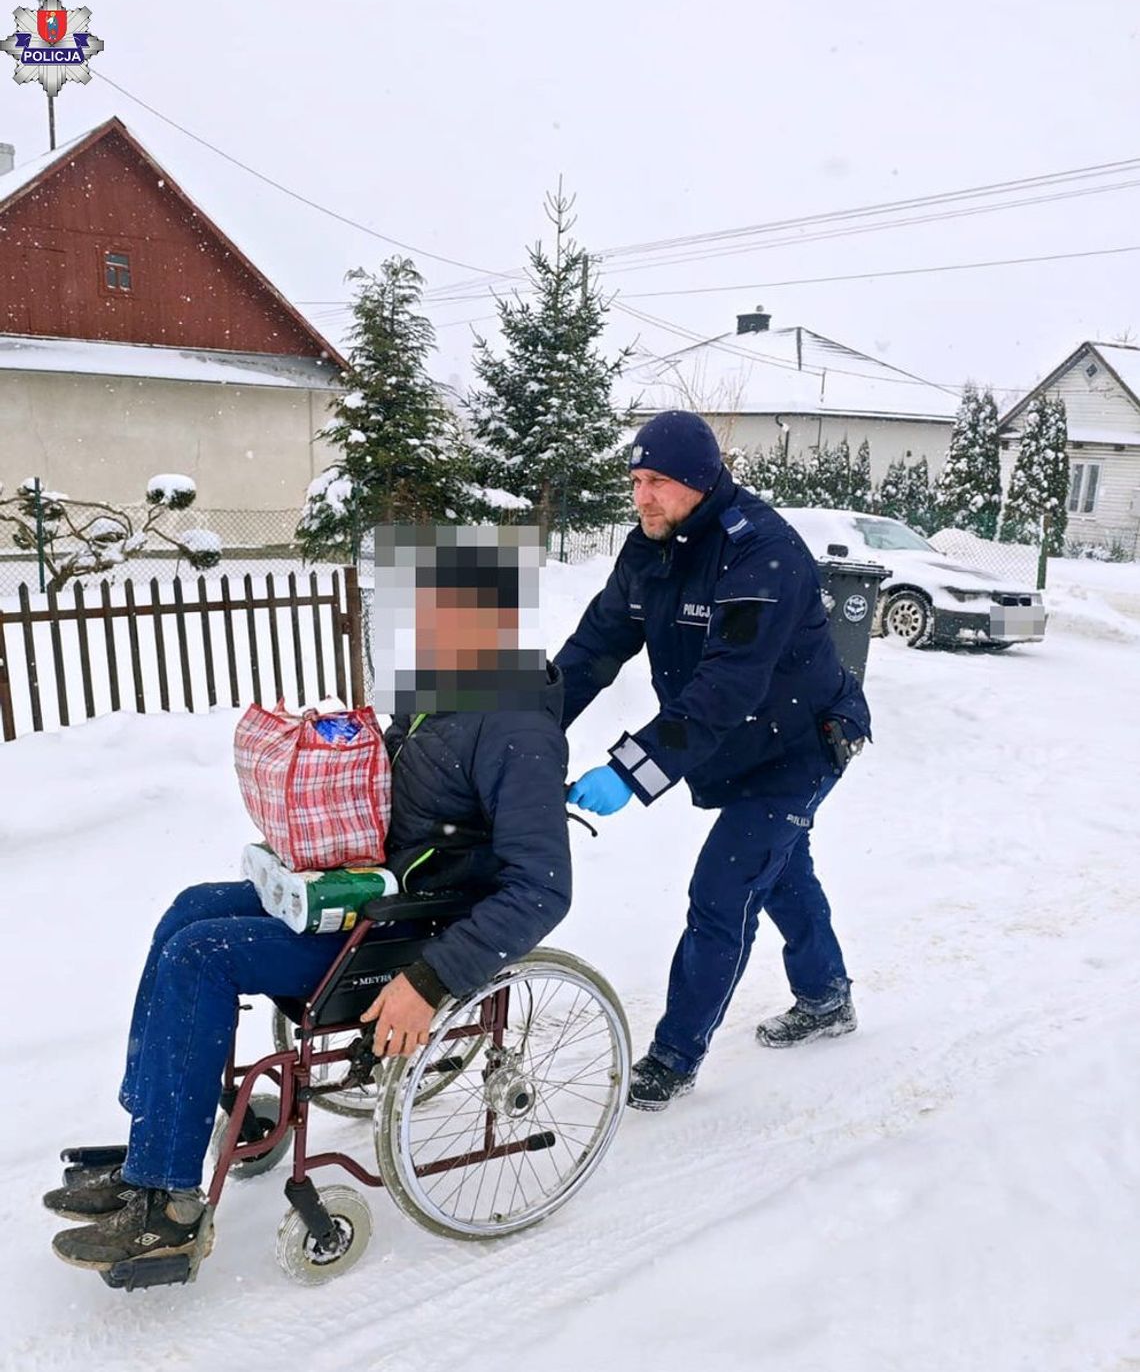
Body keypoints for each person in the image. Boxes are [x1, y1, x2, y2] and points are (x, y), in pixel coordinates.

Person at [46, 545, 571, 1271]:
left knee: (201, 955)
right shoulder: (442, 696)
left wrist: (430, 981)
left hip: (408, 933)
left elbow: (542, 887)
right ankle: (154, 1138)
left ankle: (168, 1204)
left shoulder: (517, 730)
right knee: (189, 911)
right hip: (366, 892)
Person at [556, 410, 870, 1111]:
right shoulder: (651, 546)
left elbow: (727, 686)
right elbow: (596, 647)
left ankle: (674, 1057)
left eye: (658, 482)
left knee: (724, 889)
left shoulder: (761, 552)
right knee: (778, 869)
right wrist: (528, 726)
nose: (642, 497)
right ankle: (826, 996)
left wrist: (631, 771)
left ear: (699, 480)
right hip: (738, 742)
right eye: (635, 481)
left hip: (801, 744)